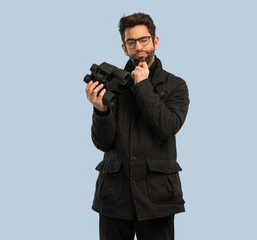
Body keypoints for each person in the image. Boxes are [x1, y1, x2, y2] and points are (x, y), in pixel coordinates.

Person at [85, 12, 189, 240]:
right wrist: (100, 110)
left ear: (155, 41)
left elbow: (167, 127)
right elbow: (103, 143)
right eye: (131, 42)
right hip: (114, 197)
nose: (138, 46)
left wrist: (142, 86)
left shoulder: (176, 86)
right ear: (124, 48)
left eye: (144, 40)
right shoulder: (111, 84)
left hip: (157, 198)